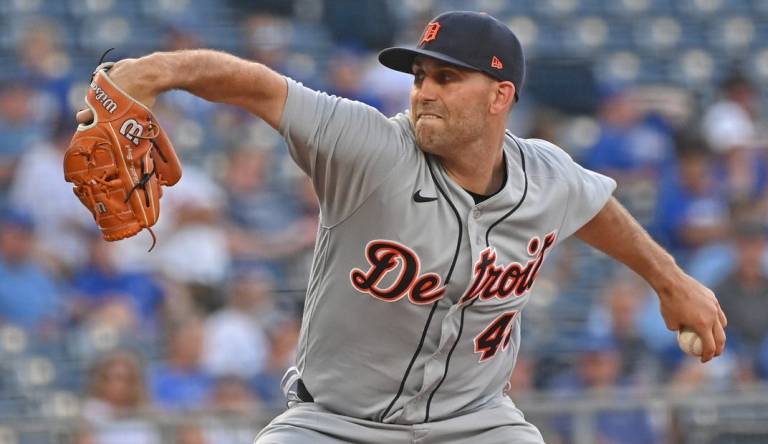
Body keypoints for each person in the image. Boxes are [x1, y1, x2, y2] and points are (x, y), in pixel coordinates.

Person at [76, 11, 727, 444]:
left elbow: (596, 209)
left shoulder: (545, 175)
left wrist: (671, 283)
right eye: (419, 76)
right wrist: (152, 71)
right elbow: (254, 86)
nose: (423, 91)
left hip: (476, 425)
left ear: (501, 97)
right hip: (334, 424)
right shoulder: (369, 146)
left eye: (447, 77)